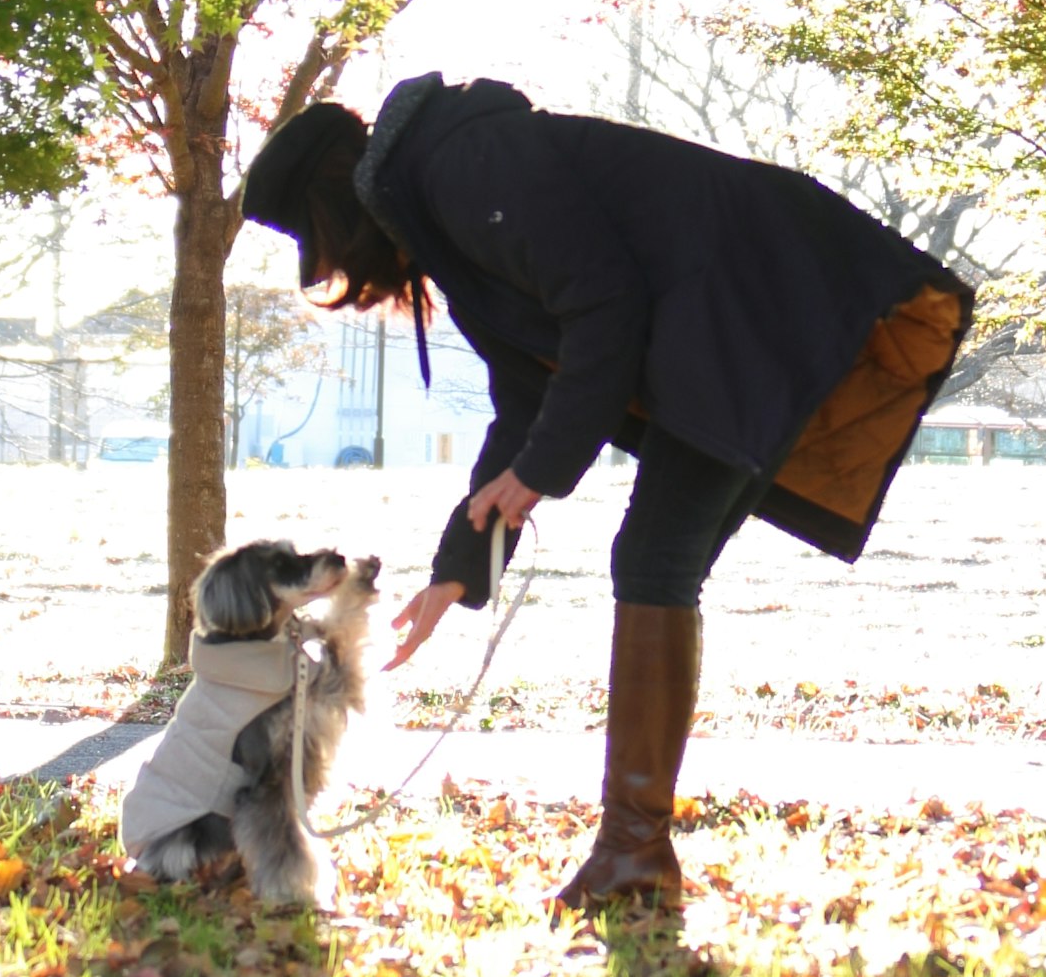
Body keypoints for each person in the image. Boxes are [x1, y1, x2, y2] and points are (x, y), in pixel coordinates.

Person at [236, 72, 971, 914]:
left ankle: (635, 851)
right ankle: (637, 851)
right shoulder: (443, 201)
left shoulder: (466, 166)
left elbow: (605, 306)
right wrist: (460, 562)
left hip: (747, 302)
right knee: (659, 558)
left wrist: (543, 470)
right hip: (727, 321)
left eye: (320, 241)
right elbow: (525, 391)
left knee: (655, 556)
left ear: (339, 208)